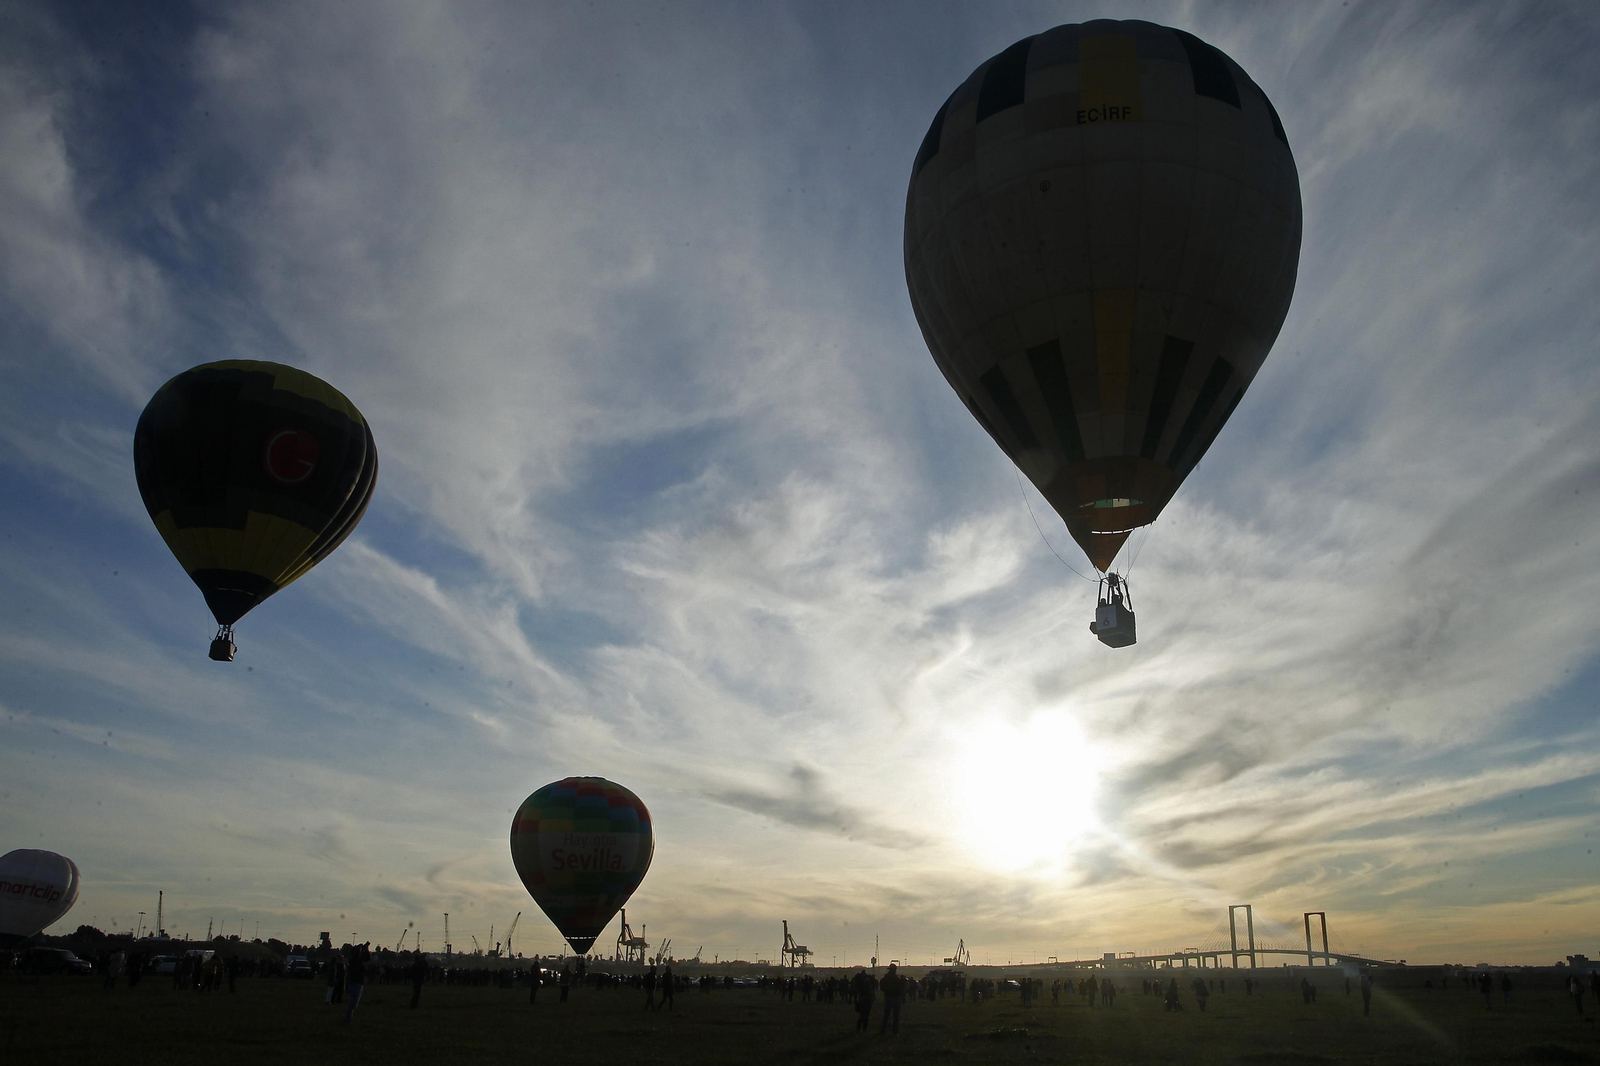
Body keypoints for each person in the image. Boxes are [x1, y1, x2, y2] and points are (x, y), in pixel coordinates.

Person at [343, 943, 370, 1024]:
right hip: (357, 983)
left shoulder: (352, 960)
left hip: (351, 982)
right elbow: (367, 958)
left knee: (352, 1003)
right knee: (353, 1005)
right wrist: (365, 949)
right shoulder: (358, 961)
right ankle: (347, 1020)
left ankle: (347, 1019)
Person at [879, 963, 904, 1035]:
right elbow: (901, 987)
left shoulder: (885, 978)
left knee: (886, 1014)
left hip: (887, 996)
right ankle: (895, 1031)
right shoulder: (897, 978)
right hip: (895, 997)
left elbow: (882, 987)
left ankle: (883, 1030)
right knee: (896, 1015)